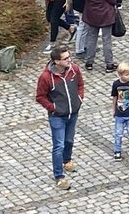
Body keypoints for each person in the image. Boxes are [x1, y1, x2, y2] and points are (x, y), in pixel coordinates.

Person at [35, 46, 85, 190]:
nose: (69, 60)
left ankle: (67, 161)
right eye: (65, 59)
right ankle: (59, 176)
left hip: (73, 113)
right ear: (56, 61)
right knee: (59, 146)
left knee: (69, 140)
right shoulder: (46, 77)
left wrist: (79, 98)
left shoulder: (74, 69)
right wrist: (53, 108)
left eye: (69, 57)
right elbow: (40, 97)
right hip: (57, 117)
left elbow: (80, 84)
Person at [79, 0, 117, 72]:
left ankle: (89, 62)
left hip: (91, 14)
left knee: (91, 38)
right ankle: (109, 64)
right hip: (105, 15)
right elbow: (112, 0)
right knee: (106, 39)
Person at [111, 63, 129, 160]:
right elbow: (114, 97)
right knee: (118, 133)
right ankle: (117, 151)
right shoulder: (116, 84)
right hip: (120, 113)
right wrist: (114, 110)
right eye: (126, 75)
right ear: (120, 75)